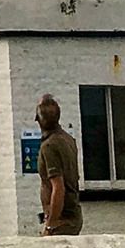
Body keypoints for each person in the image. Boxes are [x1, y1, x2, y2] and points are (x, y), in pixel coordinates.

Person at [34, 93, 82, 236]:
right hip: (73, 217)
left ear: (38, 119)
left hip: (62, 221)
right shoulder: (68, 139)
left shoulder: (49, 146)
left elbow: (58, 187)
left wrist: (50, 225)